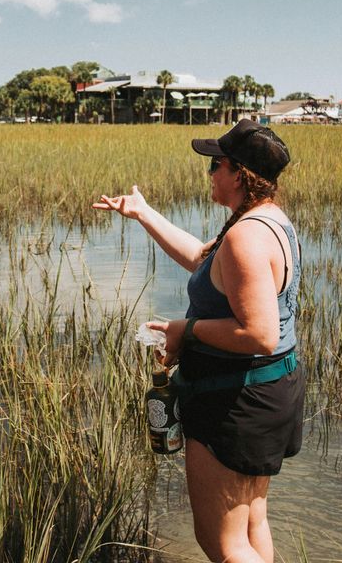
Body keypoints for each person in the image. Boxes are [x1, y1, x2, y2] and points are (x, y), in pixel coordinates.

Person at [92, 119, 304, 563]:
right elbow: (200, 261)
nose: (208, 173)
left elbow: (260, 334)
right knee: (250, 523)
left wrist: (183, 330)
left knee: (223, 545)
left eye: (215, 164)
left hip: (236, 401)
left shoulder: (246, 235)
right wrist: (143, 212)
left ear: (238, 173)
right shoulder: (267, 221)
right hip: (270, 391)